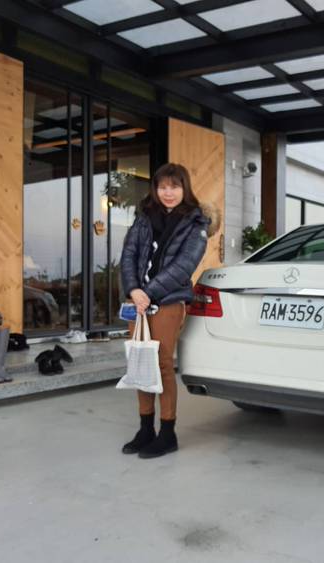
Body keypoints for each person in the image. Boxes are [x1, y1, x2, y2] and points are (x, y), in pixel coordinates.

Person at [119, 162, 217, 459]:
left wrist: (147, 293)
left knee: (161, 364)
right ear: (155, 189)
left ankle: (167, 432)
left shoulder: (195, 223)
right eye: (163, 187)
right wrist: (133, 289)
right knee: (139, 362)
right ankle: (145, 429)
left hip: (168, 301)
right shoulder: (144, 217)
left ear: (184, 188)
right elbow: (128, 254)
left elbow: (184, 266)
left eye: (174, 186)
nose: (168, 192)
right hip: (138, 301)